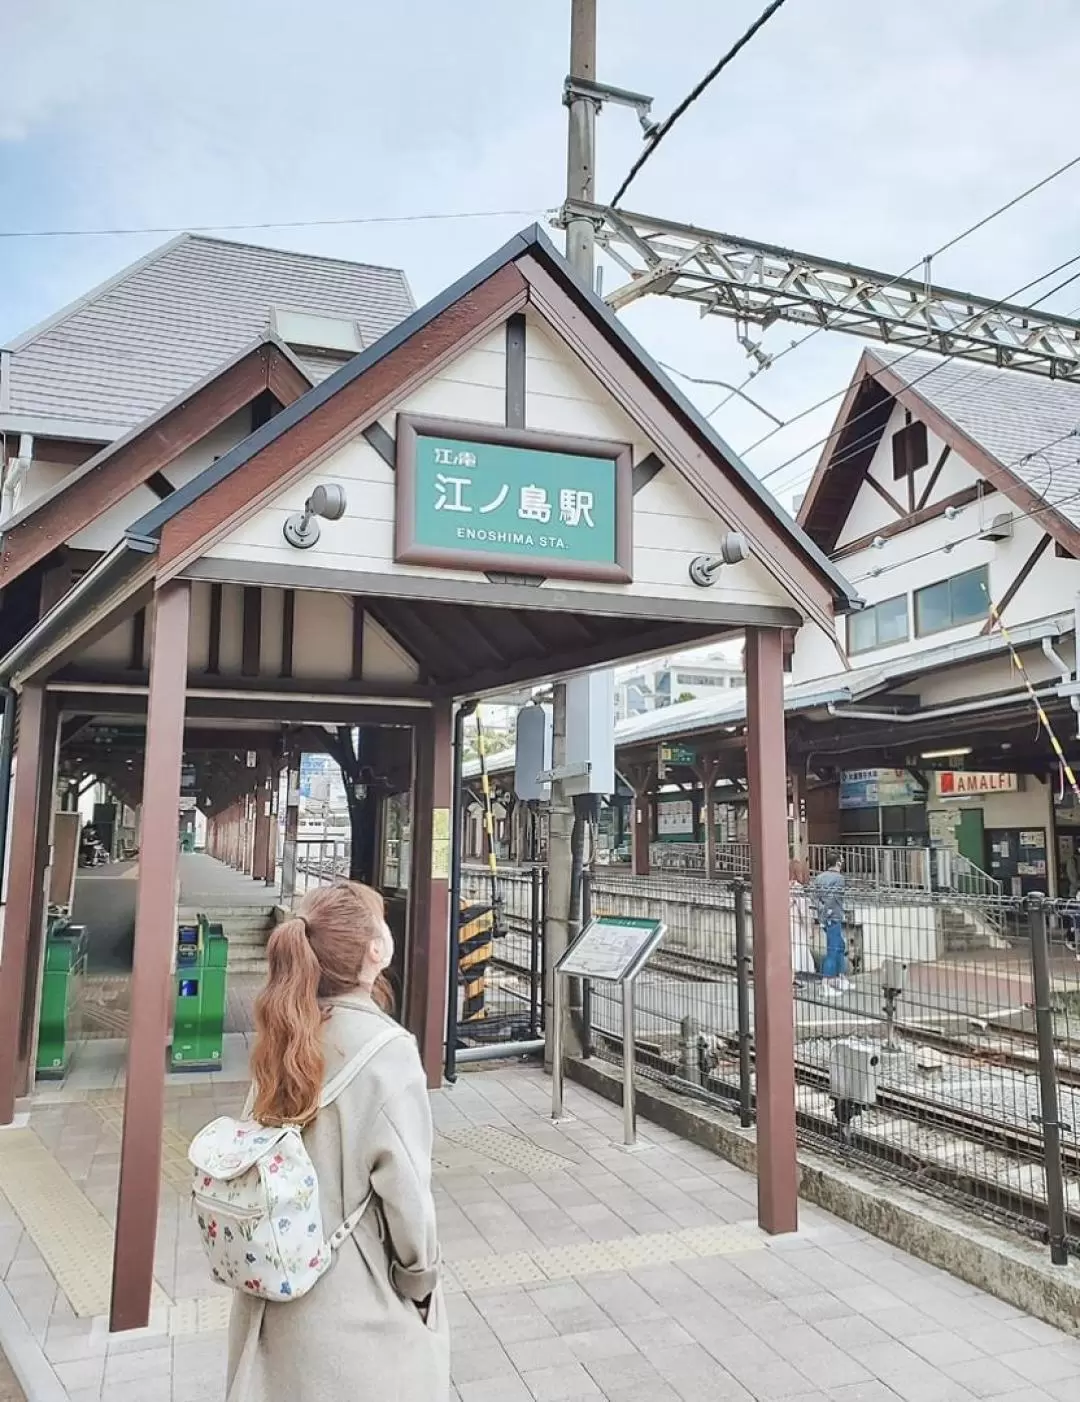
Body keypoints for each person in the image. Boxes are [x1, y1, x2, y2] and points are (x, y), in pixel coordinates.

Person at [226, 882, 449, 1402]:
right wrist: (419, 1284)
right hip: (349, 1314)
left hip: (270, 1301)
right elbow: (409, 1196)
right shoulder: (389, 1052)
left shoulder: (284, 1030)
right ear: (376, 951)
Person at [813, 853, 849, 996]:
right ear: (838, 863)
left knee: (839, 945)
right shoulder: (839, 879)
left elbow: (814, 897)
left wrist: (821, 910)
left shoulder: (819, 877)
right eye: (841, 861)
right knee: (833, 949)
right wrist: (827, 910)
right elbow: (833, 897)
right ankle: (826, 982)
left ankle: (839, 977)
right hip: (834, 916)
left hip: (824, 916)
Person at [789, 858, 816, 985]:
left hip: (785, 922)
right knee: (799, 948)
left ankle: (791, 975)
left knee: (790, 949)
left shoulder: (782, 886)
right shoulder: (797, 888)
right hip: (796, 923)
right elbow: (804, 910)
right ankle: (797, 976)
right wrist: (809, 927)